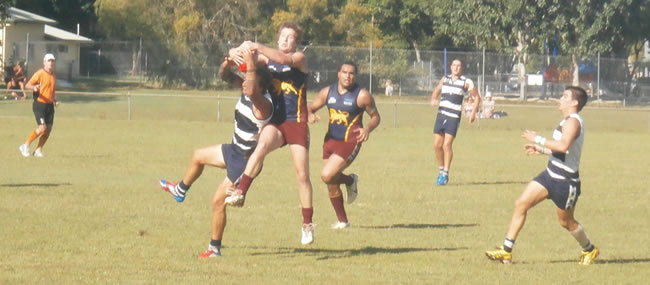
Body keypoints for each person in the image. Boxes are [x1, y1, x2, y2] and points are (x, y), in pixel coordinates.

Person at [159, 49, 273, 258]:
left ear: (261, 85)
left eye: (250, 77)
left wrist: (249, 59)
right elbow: (225, 76)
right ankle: (180, 190)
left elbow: (249, 89)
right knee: (197, 156)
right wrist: (228, 63)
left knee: (217, 202)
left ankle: (214, 249)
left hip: (244, 163)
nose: (245, 80)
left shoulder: (263, 104)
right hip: (233, 150)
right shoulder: (247, 88)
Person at [224, 22, 316, 245]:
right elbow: (245, 64)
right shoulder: (267, 61)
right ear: (277, 39)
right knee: (261, 146)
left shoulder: (299, 59)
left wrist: (256, 45)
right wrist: (235, 52)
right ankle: (240, 191)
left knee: (302, 175)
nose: (285, 40)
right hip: (276, 121)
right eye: (283, 36)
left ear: (296, 42)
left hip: (297, 122)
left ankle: (307, 223)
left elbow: (283, 59)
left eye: (290, 37)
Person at [485, 86, 599, 265]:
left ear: (574, 102)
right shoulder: (566, 120)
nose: (560, 98)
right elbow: (562, 152)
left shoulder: (573, 122)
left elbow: (563, 146)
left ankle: (589, 249)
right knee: (521, 204)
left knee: (566, 222)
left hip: (565, 182)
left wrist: (537, 139)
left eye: (565, 96)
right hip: (549, 175)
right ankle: (506, 251)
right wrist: (542, 150)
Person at [308, 62, 381, 229]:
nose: (348, 76)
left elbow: (376, 117)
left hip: (350, 141)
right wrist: (310, 115)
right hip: (330, 141)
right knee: (331, 182)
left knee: (327, 175)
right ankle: (343, 221)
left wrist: (367, 128)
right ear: (338, 74)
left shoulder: (362, 95)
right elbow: (309, 108)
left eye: (351, 73)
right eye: (344, 72)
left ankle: (349, 180)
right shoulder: (327, 92)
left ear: (355, 76)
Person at [430, 58, 480, 185]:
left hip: (453, 117)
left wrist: (473, 113)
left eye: (459, 65)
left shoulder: (466, 82)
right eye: (454, 65)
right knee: (437, 145)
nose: (456, 67)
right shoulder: (445, 79)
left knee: (447, 145)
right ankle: (441, 170)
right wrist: (433, 98)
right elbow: (436, 91)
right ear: (451, 67)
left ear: (461, 68)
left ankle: (445, 173)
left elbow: (477, 98)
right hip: (441, 115)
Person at [19, 54, 59, 158]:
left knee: (48, 130)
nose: (51, 62)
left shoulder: (53, 75)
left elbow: (50, 91)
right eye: (49, 61)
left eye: (52, 61)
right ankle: (25, 145)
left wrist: (54, 100)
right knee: (42, 128)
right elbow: (27, 85)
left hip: (50, 106)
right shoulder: (40, 73)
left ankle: (38, 150)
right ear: (44, 62)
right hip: (40, 104)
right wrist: (34, 88)